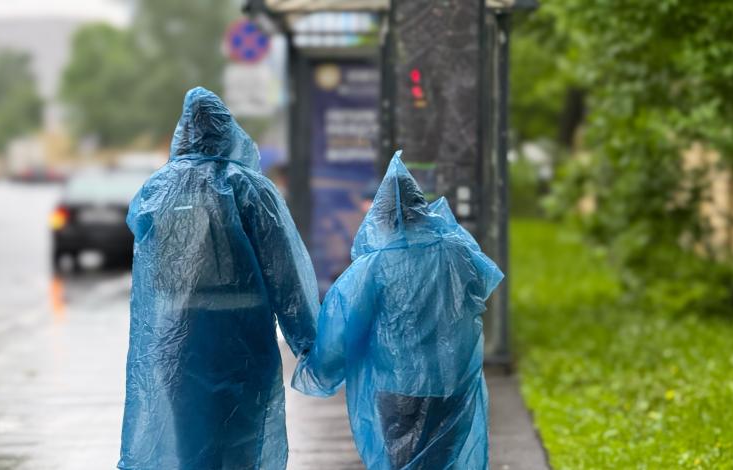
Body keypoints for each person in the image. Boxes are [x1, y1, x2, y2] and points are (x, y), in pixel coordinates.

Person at [118, 87, 319, 470]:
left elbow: (149, 278)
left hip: (179, 342)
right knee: (240, 446)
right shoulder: (249, 189)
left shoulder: (156, 190)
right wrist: (309, 342)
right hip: (241, 340)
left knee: (192, 445)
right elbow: (284, 272)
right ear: (228, 132)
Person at [293, 151, 504, 470]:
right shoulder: (457, 251)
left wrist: (320, 368)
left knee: (403, 461)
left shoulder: (374, 266)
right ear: (422, 209)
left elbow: (344, 327)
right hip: (453, 381)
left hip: (400, 386)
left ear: (380, 218)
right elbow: (480, 287)